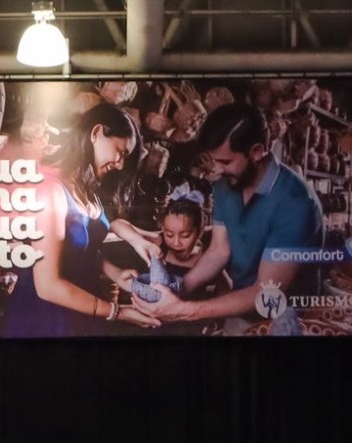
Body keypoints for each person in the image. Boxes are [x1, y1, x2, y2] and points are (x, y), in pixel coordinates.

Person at [132, 103, 326, 330]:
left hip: (287, 321)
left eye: (225, 162)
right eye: (213, 160)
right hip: (240, 308)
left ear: (257, 151)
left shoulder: (296, 202)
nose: (216, 169)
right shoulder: (226, 186)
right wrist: (178, 288)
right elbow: (219, 250)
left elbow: (266, 291)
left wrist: (182, 310)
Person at [1, 102, 153, 336]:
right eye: (120, 152)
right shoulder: (50, 190)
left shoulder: (87, 189)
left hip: (81, 310)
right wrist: (118, 312)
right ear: (96, 133)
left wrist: (114, 273)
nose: (121, 164)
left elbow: (78, 250)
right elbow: (48, 286)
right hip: (45, 319)